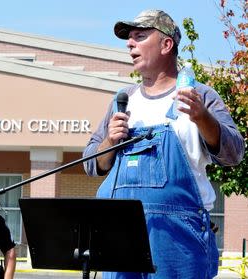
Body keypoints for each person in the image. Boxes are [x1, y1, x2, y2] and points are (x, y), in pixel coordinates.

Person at [83, 10, 245, 279]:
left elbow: (234, 153)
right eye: (129, 39)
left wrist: (202, 117)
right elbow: (91, 165)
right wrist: (110, 141)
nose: (129, 44)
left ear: (166, 44)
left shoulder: (200, 95)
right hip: (121, 240)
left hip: (178, 243)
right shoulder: (123, 101)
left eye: (140, 36)